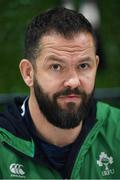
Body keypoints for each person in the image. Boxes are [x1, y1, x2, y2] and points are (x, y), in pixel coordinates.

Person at [0, 7, 120, 179]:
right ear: (28, 73)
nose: (73, 81)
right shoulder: (3, 150)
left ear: (95, 65)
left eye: (83, 65)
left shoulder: (116, 132)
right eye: (56, 66)